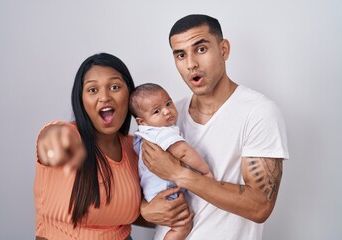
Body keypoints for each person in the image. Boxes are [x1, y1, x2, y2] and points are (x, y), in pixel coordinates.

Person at [140, 14, 289, 240]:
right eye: (181, 55)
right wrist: (144, 210)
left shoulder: (258, 112)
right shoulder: (167, 116)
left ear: (224, 49)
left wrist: (178, 173)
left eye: (200, 49)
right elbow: (146, 190)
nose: (191, 64)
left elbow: (260, 207)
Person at [34, 52, 170, 240]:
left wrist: (149, 210)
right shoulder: (69, 134)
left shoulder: (137, 149)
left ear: (130, 95)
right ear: (81, 99)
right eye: (92, 90)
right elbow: (51, 136)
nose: (104, 97)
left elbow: (121, 210)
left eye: (115, 87)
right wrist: (55, 138)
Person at [129, 83, 213, 240]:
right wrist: (205, 171)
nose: (167, 111)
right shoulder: (163, 133)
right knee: (183, 225)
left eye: (168, 103)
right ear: (142, 121)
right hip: (166, 190)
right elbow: (183, 152)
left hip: (151, 192)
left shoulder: (142, 135)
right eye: (157, 111)